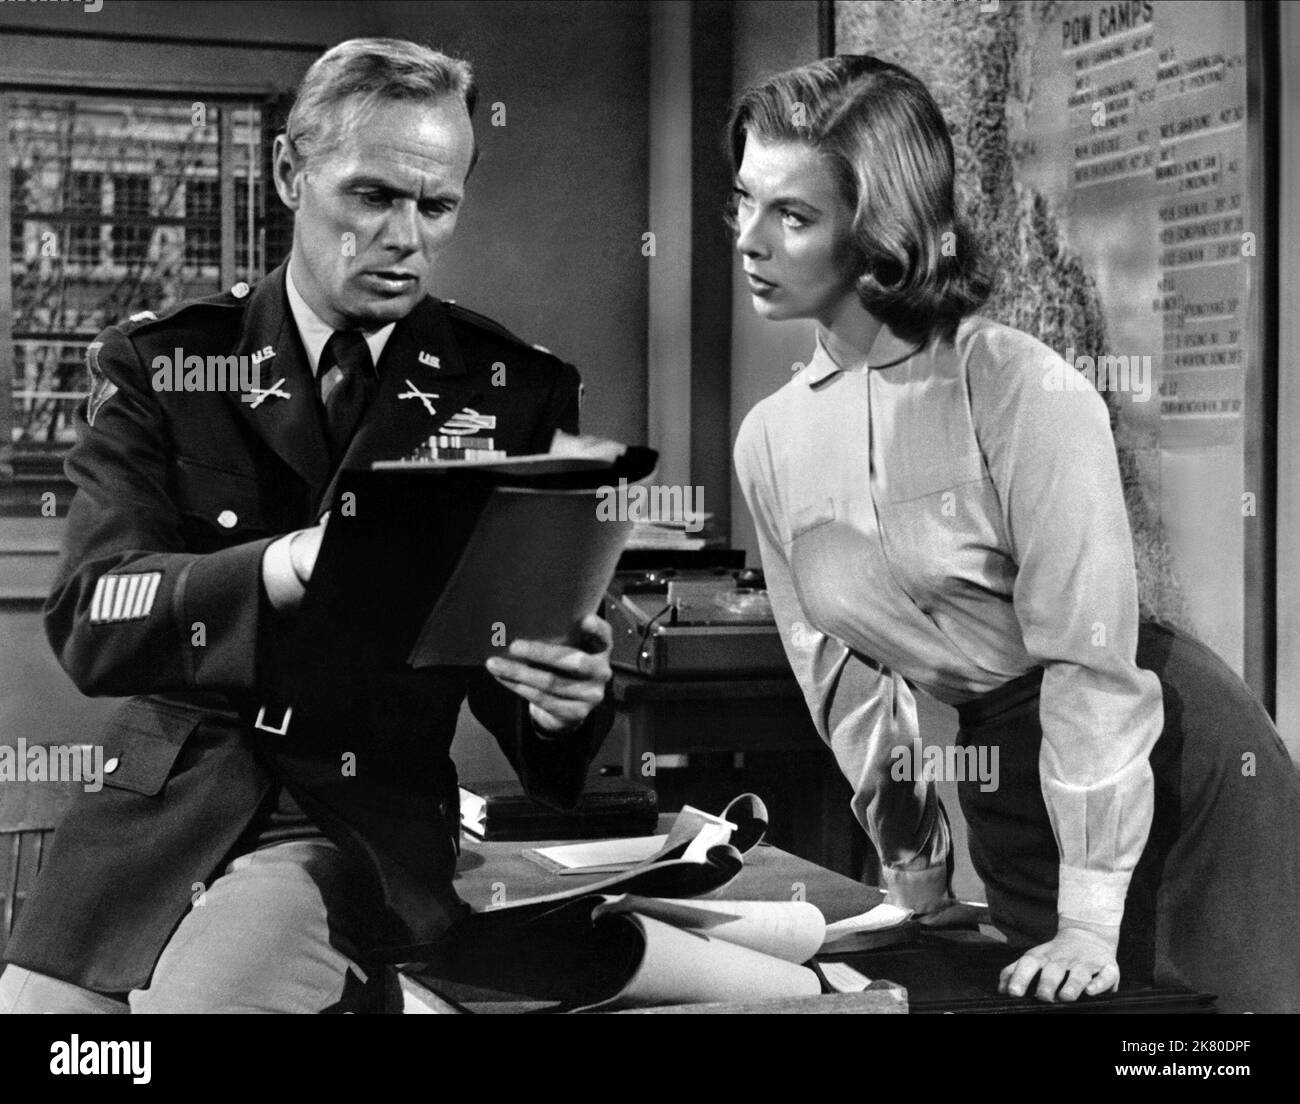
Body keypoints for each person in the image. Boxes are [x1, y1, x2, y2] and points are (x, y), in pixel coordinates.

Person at [0, 38, 615, 1014]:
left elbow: (520, 669)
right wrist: (284, 565)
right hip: (155, 822)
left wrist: (558, 703)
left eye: (436, 206)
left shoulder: (512, 391)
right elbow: (92, 617)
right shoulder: (165, 364)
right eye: (372, 195)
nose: (403, 237)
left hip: (356, 823)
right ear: (290, 173)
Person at [729, 54, 1300, 1012]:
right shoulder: (770, 441)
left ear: (880, 231)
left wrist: (1090, 918)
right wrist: (915, 876)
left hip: (1158, 757)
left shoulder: (1019, 387)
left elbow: (1088, 660)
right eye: (745, 199)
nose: (749, 239)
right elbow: (848, 692)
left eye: (792, 215)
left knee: (1201, 1059)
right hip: (1008, 780)